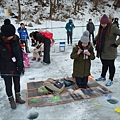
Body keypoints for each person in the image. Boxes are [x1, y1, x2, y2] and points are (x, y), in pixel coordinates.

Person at [0, 19, 25, 109]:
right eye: (9, 36)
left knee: (17, 82)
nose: (11, 37)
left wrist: (21, 65)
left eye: (12, 35)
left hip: (16, 65)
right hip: (5, 66)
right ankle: (11, 100)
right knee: (8, 84)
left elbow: (19, 53)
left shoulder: (15, 40)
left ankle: (18, 97)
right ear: (4, 36)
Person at [95, 14, 120, 86]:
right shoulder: (101, 28)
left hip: (110, 50)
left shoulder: (113, 28)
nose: (103, 25)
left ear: (107, 23)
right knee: (104, 64)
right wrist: (95, 39)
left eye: (104, 24)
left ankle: (111, 79)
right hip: (102, 50)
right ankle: (103, 76)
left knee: (110, 65)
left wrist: (116, 43)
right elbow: (99, 35)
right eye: (101, 24)